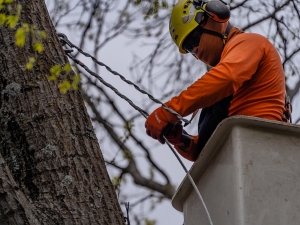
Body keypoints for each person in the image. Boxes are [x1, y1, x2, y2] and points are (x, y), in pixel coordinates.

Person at [144, 0, 287, 161]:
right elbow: (205, 150)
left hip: (258, 146)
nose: (195, 50)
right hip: (237, 156)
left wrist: (170, 110)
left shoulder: (250, 42)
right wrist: (184, 141)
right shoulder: (219, 84)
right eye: (190, 48)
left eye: (194, 39)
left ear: (215, 17)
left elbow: (228, 77)